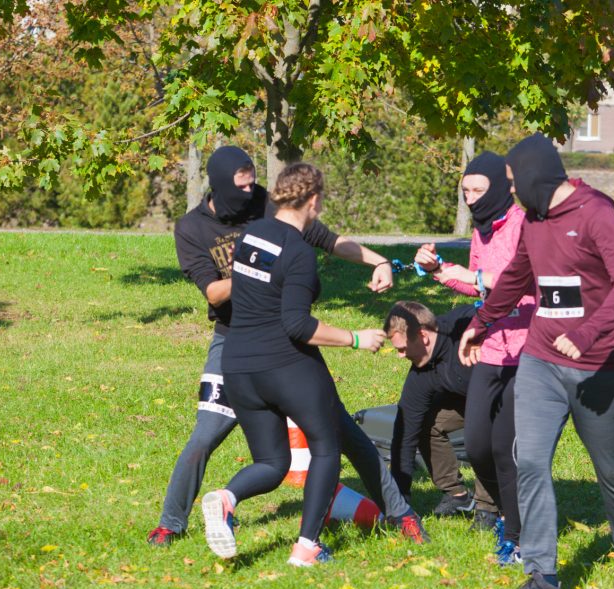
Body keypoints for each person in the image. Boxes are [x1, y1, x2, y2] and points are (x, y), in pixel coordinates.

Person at [147, 147, 424, 549]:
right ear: (221, 185)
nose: (249, 193)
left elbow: (327, 239)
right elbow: (211, 290)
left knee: (344, 433)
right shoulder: (192, 228)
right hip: (233, 338)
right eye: (240, 187)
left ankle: (400, 515)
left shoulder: (269, 206)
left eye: (252, 183)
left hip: (288, 343)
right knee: (206, 434)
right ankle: (171, 523)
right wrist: (260, 272)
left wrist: (378, 260)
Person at [459, 134, 614, 589]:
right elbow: (516, 278)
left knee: (613, 471)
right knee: (531, 460)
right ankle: (541, 577)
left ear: (538, 177)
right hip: (540, 360)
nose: (515, 195)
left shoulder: (596, 214)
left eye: (516, 184)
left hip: (595, 368)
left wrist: (588, 334)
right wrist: (479, 324)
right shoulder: (535, 222)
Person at [413, 151, 534, 565]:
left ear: (499, 189)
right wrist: (438, 270)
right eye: (465, 191)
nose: (471, 199)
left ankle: (513, 525)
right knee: (479, 444)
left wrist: (476, 278)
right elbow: (479, 289)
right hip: (489, 346)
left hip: (527, 349)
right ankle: (502, 508)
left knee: (507, 448)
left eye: (478, 190)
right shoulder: (482, 231)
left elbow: (523, 281)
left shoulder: (524, 224)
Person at [381, 301, 498, 526]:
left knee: (482, 432)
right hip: (469, 398)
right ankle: (457, 496)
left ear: (423, 335)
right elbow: (405, 433)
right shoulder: (422, 371)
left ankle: (488, 508)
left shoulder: (466, 325)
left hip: (506, 399)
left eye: (402, 348)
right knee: (424, 422)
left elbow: (500, 307)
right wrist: (399, 501)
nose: (400, 355)